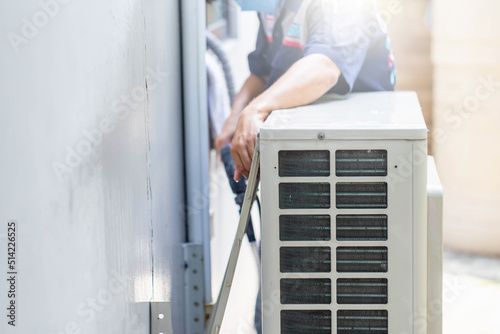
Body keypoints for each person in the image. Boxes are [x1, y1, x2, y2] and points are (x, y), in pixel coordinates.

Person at [215, 0, 396, 181]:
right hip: (306, 145)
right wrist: (235, 120)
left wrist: (255, 110)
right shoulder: (271, 8)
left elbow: (324, 67)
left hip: (358, 149)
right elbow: (262, 74)